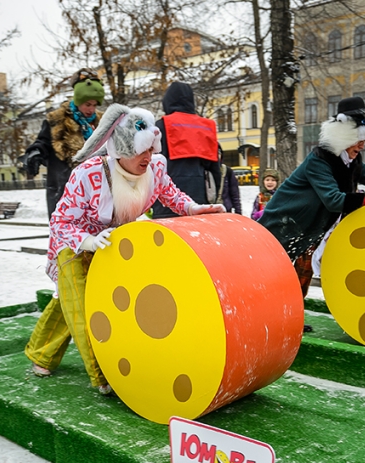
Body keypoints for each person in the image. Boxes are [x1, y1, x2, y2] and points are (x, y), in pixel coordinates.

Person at [24, 104, 225, 395]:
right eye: (140, 151)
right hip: (75, 243)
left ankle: (41, 353)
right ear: (121, 150)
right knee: (80, 302)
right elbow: (60, 221)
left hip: (115, 241)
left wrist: (194, 208)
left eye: (151, 149)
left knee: (74, 301)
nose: (148, 157)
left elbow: (170, 194)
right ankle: (104, 373)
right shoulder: (88, 175)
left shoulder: (155, 167)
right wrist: (88, 242)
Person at [258, 96, 365, 313]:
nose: (362, 145)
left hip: (311, 226)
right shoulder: (320, 160)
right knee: (279, 274)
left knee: (302, 275)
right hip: (286, 223)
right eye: (358, 139)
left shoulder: (352, 160)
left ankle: (290, 316)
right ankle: (273, 315)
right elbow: (333, 200)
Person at [24, 69, 105, 218]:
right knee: (67, 236)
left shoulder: (102, 122)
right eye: (88, 104)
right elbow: (42, 142)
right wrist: (35, 153)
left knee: (96, 238)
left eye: (95, 104)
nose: (91, 109)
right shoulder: (57, 121)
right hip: (64, 190)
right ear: (79, 100)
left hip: (97, 193)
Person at [151, 82, 221, 219]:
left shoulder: (160, 126)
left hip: (167, 202)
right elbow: (215, 171)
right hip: (200, 202)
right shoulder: (207, 127)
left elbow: (151, 165)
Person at [218, 145, 241, 215]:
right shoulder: (205, 171)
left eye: (219, 153)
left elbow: (234, 193)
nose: (217, 156)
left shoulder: (227, 171)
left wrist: (238, 213)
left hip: (225, 210)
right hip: (209, 211)